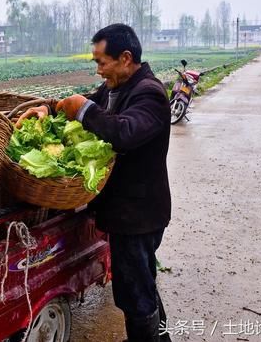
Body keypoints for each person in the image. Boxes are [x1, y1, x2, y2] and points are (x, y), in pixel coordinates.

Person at [18, 24, 172, 342]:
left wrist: (83, 110)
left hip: (138, 215)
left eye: (102, 62)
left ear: (125, 58)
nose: (99, 71)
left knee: (134, 295)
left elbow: (124, 133)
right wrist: (48, 108)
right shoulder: (115, 88)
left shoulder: (150, 94)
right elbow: (84, 103)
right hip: (126, 213)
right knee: (140, 284)